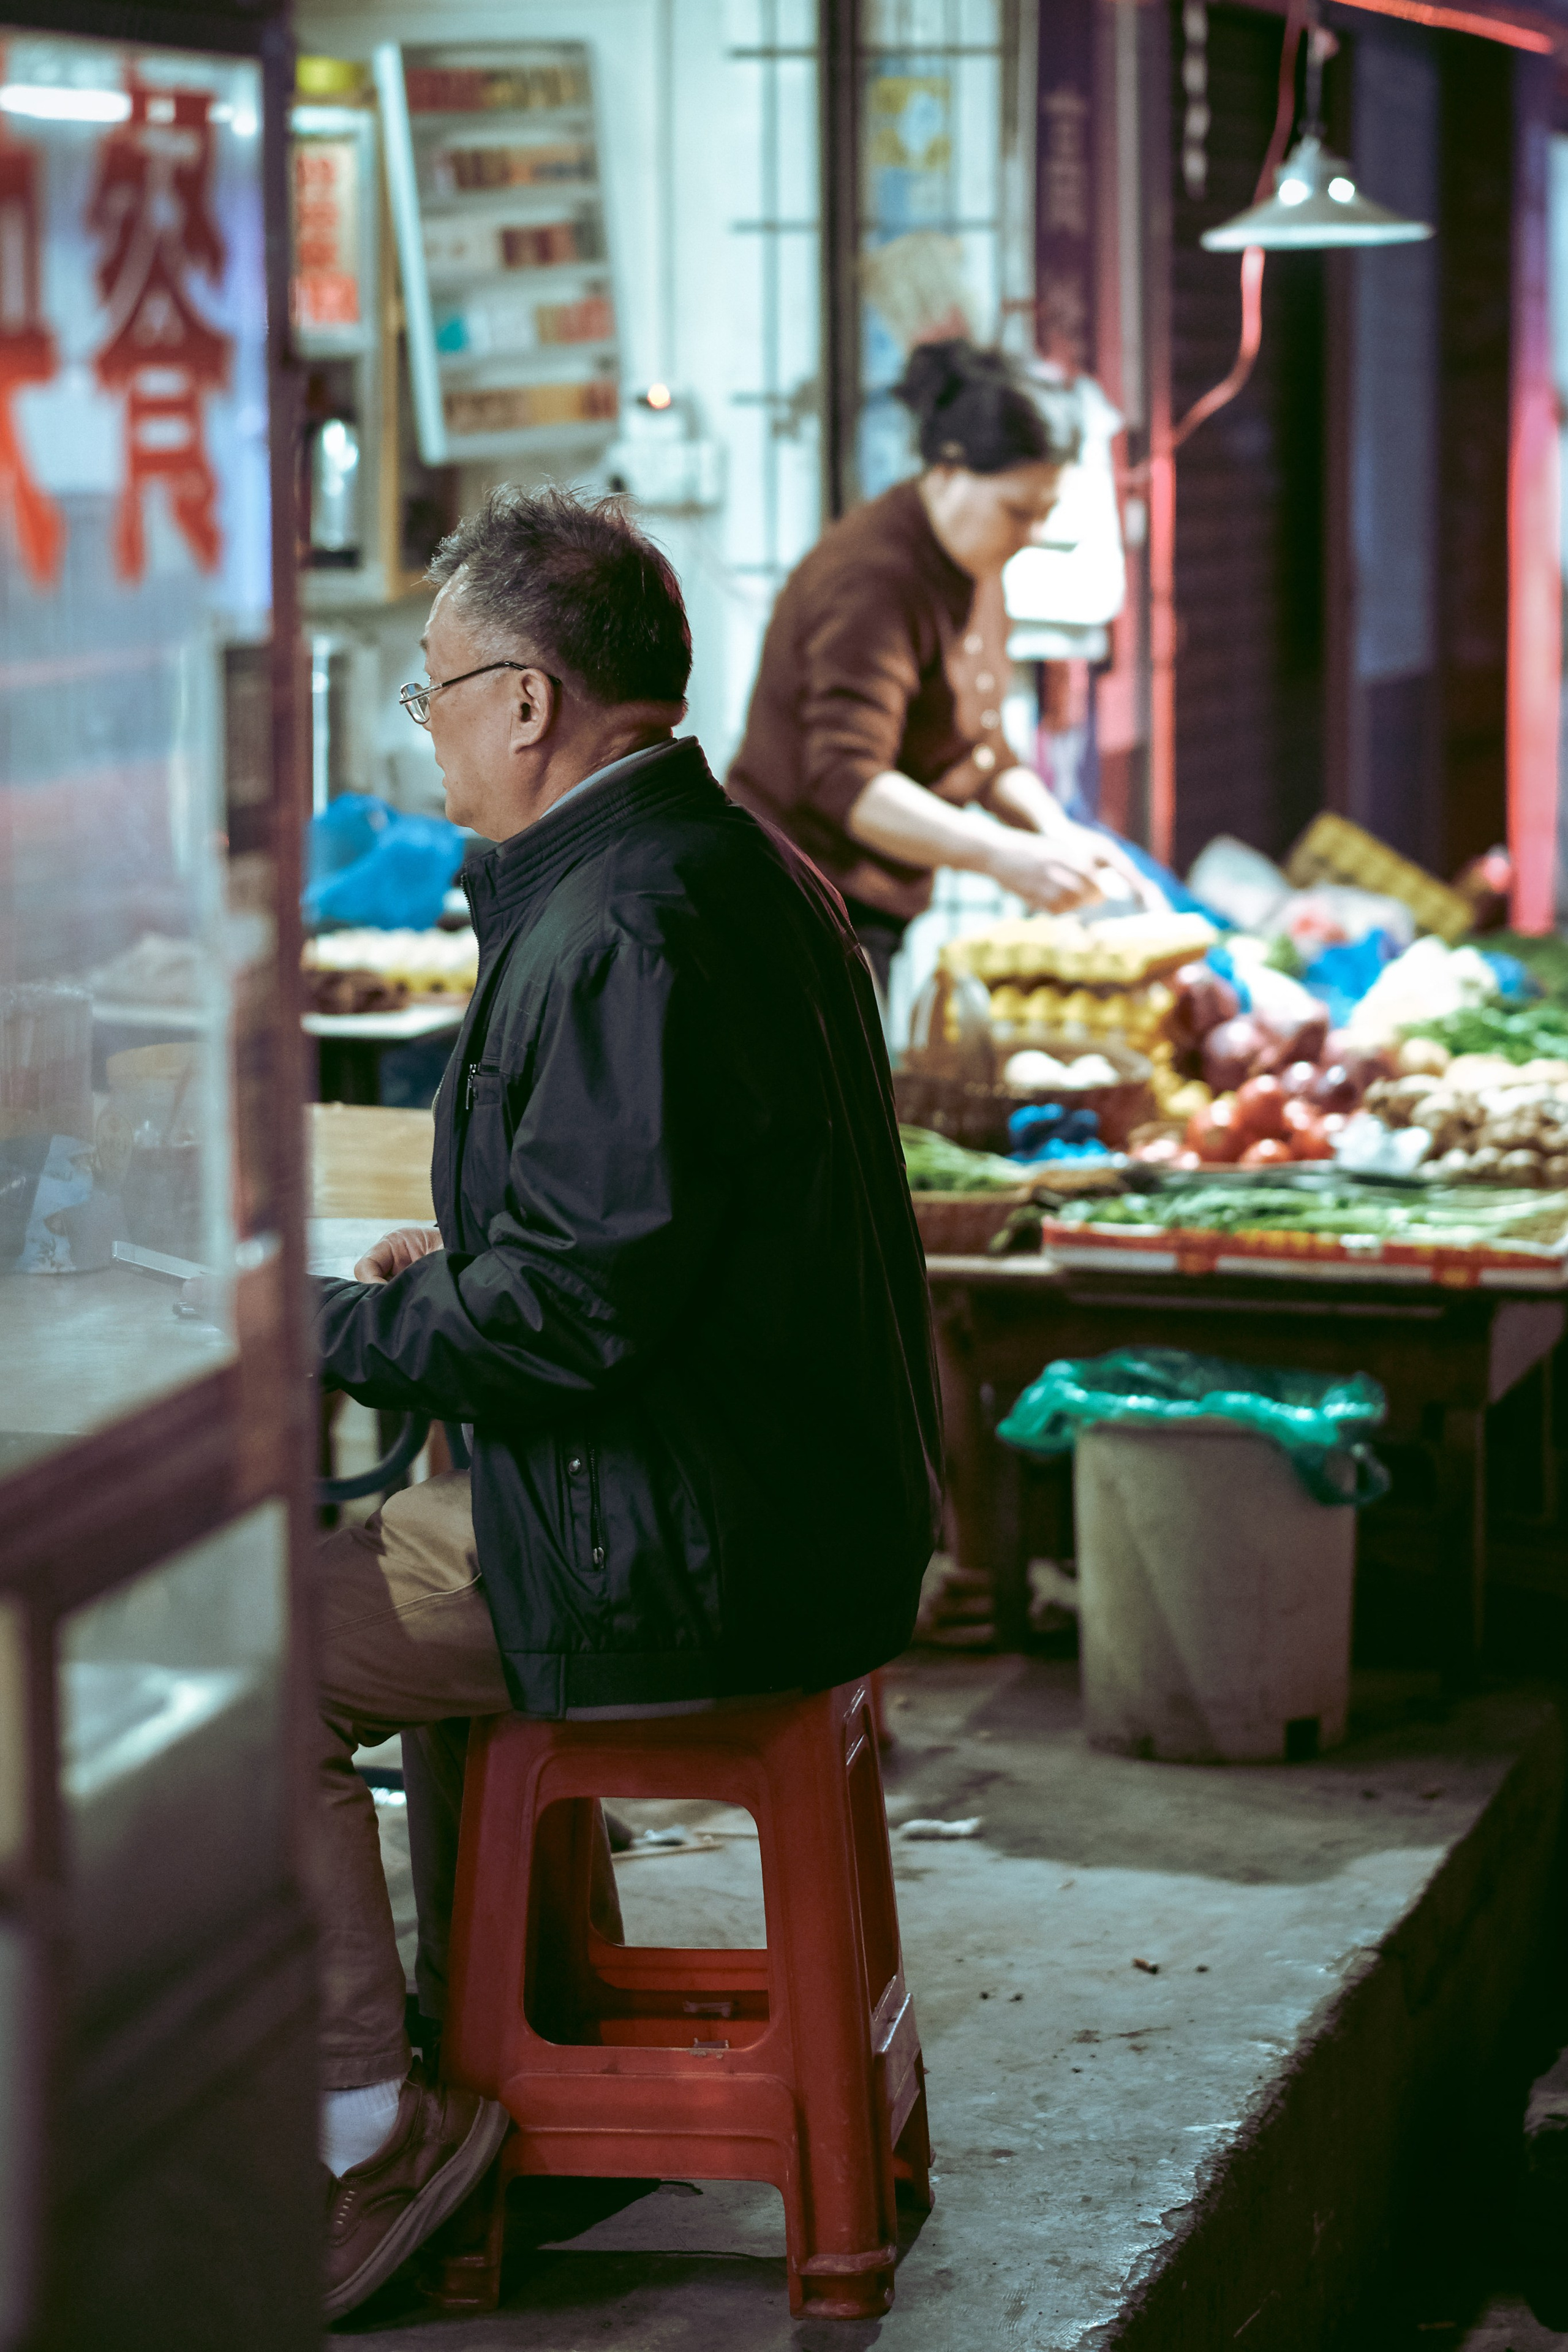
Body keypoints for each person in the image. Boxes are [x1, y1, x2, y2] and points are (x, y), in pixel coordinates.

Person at [309, 486, 943, 2318]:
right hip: (782, 1499)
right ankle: (534, 2071)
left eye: (435, 691)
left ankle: (371, 2139)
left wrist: (338, 1330)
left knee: (251, 1651)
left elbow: (575, 1316)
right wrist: (445, 1274)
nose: (428, 733)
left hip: (691, 1536)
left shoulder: (623, 923)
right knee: (371, 1583)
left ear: (526, 701)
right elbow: (644, 1237)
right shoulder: (718, 864)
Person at [727, 339, 1159, 1001]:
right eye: (1018, 511)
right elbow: (849, 783)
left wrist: (1058, 836)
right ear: (949, 469)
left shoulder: (974, 561)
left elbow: (978, 747)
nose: (1031, 534)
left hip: (864, 906)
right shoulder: (873, 579)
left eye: (1045, 513)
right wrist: (1000, 857)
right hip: (789, 905)